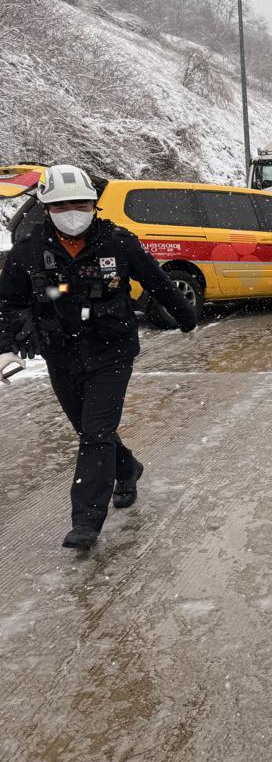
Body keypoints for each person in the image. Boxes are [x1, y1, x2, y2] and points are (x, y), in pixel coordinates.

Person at [0, 165, 198, 550]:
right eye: (61, 205)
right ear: (45, 208)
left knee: (96, 431)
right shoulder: (29, 252)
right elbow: (8, 303)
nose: (72, 211)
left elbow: (155, 279)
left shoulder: (118, 243)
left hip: (113, 351)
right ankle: (128, 469)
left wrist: (185, 315)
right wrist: (5, 348)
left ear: (94, 204)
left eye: (81, 203)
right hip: (61, 354)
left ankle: (86, 520)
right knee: (90, 429)